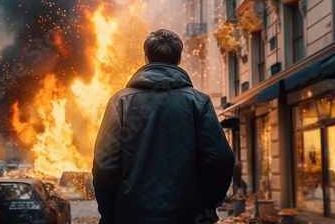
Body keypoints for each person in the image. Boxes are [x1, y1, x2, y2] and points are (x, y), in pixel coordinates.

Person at [92, 29, 235, 224]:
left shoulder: (121, 102)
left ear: (146, 58)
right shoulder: (198, 102)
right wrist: (206, 206)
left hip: (132, 216)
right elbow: (220, 161)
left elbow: (105, 165)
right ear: (179, 59)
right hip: (187, 216)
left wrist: (110, 213)